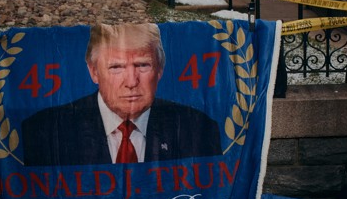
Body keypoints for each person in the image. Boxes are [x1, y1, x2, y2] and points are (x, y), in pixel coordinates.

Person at [21, 23, 222, 166]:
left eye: (142, 65)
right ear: (93, 72)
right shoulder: (45, 132)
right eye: (116, 67)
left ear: (159, 70)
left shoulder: (199, 129)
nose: (131, 82)